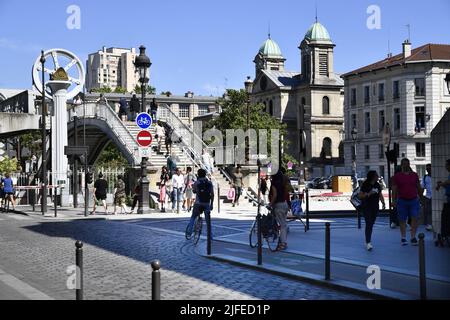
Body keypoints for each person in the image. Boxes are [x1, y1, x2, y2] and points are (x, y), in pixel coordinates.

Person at [392, 158, 424, 246]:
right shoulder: (397, 176)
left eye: (407, 163)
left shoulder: (414, 175)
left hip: (414, 200)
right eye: (404, 164)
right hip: (402, 201)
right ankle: (403, 237)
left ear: (409, 164)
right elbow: (394, 189)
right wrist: (393, 200)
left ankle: (413, 237)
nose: (406, 165)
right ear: (401, 165)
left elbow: (418, 187)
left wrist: (422, 198)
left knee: (415, 218)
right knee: (402, 220)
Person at [358, 171, 386, 251]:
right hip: (367, 206)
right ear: (373, 176)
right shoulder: (365, 184)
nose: (378, 177)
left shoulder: (377, 185)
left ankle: (368, 240)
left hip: (375, 207)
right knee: (369, 223)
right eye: (376, 175)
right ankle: (368, 242)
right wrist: (369, 193)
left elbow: (380, 194)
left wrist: (383, 203)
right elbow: (360, 195)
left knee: (371, 223)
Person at [186, 168, 214, 238]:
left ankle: (189, 232)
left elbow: (194, 191)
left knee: (193, 217)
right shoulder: (209, 183)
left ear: (198, 175)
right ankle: (210, 235)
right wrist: (211, 204)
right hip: (206, 203)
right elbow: (212, 194)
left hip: (198, 203)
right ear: (205, 174)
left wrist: (195, 190)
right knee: (208, 221)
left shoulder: (197, 183)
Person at [268, 170, 289, 251]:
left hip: (278, 205)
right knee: (283, 223)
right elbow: (286, 192)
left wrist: (270, 204)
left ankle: (283, 243)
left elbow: (275, 195)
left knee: (282, 225)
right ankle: (282, 241)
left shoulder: (274, 184)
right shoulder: (283, 183)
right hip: (284, 204)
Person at [421, 164, 433, 231]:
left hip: (435, 196)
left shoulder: (436, 176)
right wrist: (421, 197)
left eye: (429, 169)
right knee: (428, 211)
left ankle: (433, 224)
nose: (428, 170)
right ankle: (429, 224)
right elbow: (422, 187)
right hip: (428, 196)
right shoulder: (425, 177)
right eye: (427, 169)